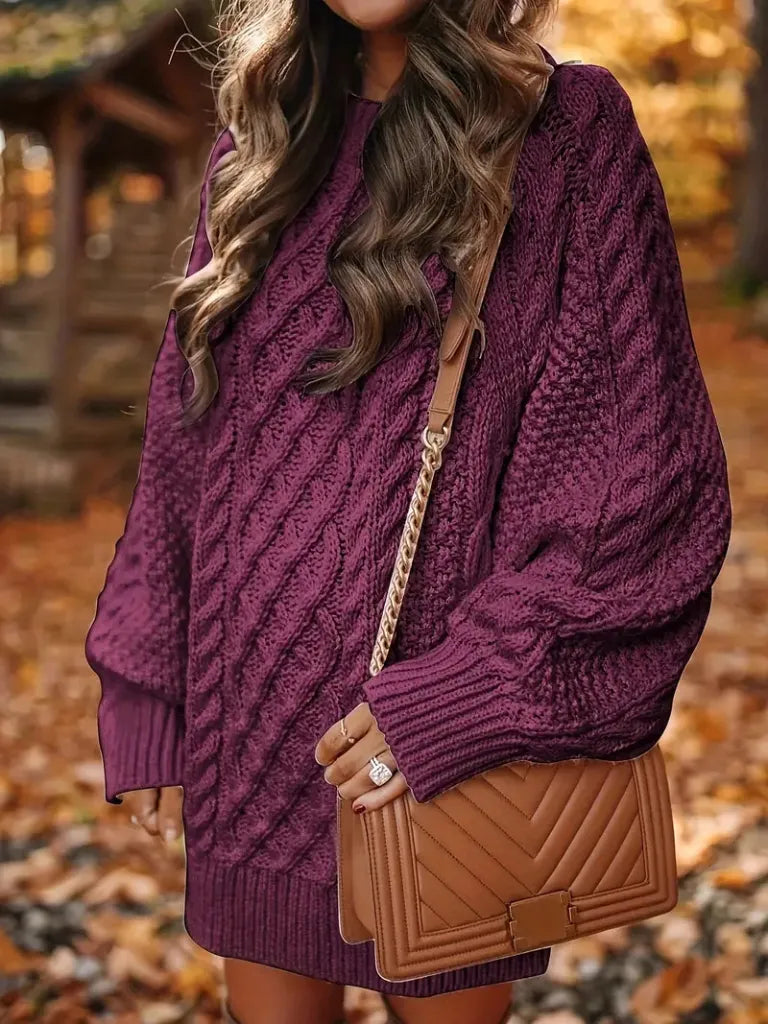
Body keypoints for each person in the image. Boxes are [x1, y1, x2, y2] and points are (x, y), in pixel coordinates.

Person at [84, 0, 732, 1021]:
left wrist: (457, 702)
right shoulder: (259, 139)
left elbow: (639, 495)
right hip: (247, 745)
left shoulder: (566, 132)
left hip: (440, 774)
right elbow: (182, 450)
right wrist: (147, 687)